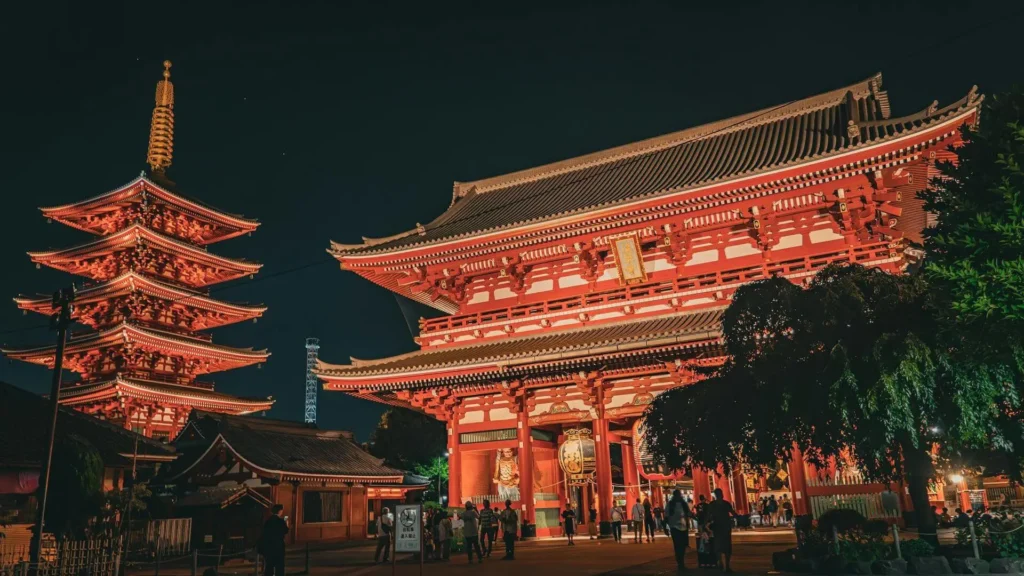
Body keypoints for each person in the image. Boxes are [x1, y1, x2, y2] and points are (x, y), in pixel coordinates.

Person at [708, 488, 737, 572]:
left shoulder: (712, 504)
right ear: (722, 494)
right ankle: (727, 565)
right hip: (726, 527)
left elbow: (708, 515)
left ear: (715, 495)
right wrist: (736, 518)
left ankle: (720, 562)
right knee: (727, 546)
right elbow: (733, 513)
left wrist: (704, 525)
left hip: (717, 527)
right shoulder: (726, 504)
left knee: (718, 546)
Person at [259, 504, 288, 576]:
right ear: (280, 511)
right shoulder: (280, 521)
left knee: (269, 566)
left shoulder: (268, 521)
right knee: (279, 567)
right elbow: (285, 531)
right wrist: (286, 523)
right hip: (278, 546)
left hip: (269, 546)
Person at [667, 489, 692, 571]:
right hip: (674, 527)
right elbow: (666, 516)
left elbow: (689, 513)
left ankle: (682, 563)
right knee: (678, 546)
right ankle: (680, 563)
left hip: (683, 527)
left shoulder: (684, 504)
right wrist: (665, 528)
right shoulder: (670, 504)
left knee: (683, 546)